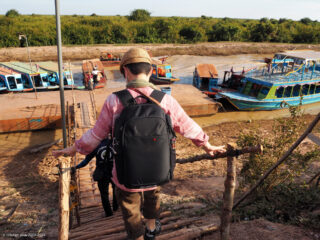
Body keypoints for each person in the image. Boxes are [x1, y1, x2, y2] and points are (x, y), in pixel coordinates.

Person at [53, 48, 225, 240]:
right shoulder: (165, 100)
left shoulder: (114, 100)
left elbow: (96, 135)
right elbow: (187, 126)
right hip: (157, 169)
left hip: (126, 172)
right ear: (151, 71)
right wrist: (207, 145)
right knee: (152, 196)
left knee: (130, 207)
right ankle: (151, 227)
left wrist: (73, 149)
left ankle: (137, 236)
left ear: (125, 70)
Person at [71, 137, 118, 217]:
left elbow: (86, 161)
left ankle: (108, 213)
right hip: (113, 171)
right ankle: (116, 208)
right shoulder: (114, 143)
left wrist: (76, 167)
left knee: (104, 194)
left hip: (101, 173)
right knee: (116, 190)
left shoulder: (95, 146)